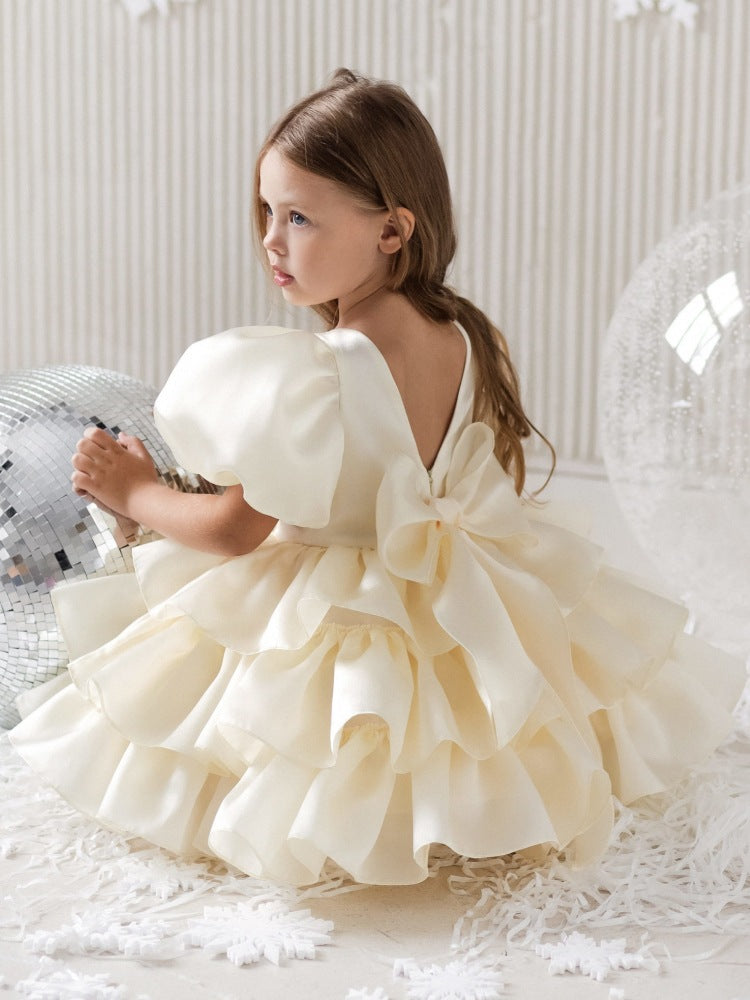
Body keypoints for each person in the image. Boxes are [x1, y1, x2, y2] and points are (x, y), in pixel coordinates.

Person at [9, 69, 745, 887]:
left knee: (234, 689)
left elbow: (234, 531)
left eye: (299, 217)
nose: (271, 241)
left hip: (343, 590)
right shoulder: (463, 333)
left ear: (392, 230)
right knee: (458, 714)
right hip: (443, 580)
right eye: (266, 211)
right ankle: (473, 808)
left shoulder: (317, 372)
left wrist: (133, 493)